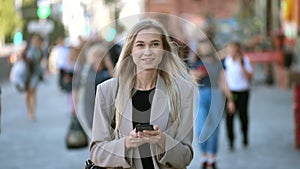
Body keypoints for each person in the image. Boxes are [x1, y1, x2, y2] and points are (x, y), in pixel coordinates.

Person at [90, 19, 197, 169]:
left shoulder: (183, 92)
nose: (148, 51)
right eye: (140, 45)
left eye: (155, 44)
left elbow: (185, 157)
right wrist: (127, 144)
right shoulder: (107, 91)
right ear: (130, 51)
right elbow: (96, 153)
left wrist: (163, 141)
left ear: (164, 50)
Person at [190, 38, 235, 169]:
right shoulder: (195, 63)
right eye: (200, 45)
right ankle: (204, 156)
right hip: (202, 95)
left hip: (217, 95)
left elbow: (223, 82)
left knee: (214, 129)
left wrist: (230, 100)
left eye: (205, 45)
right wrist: (201, 72)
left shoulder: (219, 62)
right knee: (200, 129)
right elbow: (191, 79)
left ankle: (212, 159)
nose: (203, 48)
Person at [223, 41, 253, 151]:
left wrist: (241, 64)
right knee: (229, 117)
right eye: (230, 50)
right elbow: (224, 80)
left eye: (234, 50)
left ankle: (245, 135)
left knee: (243, 116)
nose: (232, 52)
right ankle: (231, 140)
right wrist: (229, 97)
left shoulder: (245, 61)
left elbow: (249, 77)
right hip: (232, 92)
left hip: (243, 92)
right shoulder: (226, 62)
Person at [84, 43, 114, 129]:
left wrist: (109, 65)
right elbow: (78, 87)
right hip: (91, 104)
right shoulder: (87, 70)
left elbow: (117, 80)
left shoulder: (108, 69)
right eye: (96, 55)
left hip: (107, 104)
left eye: (101, 55)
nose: (99, 58)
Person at [24, 34, 44, 121]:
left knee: (33, 92)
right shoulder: (27, 49)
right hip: (27, 74)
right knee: (28, 93)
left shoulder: (38, 50)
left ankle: (32, 112)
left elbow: (37, 60)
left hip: (34, 74)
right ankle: (29, 110)